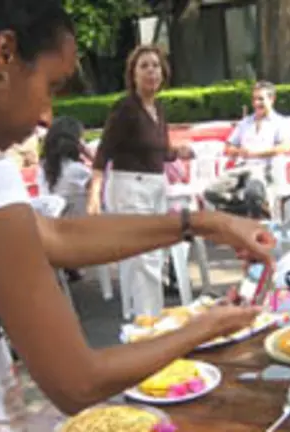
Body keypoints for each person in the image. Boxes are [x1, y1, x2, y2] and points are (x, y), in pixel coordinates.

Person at [0, 1, 273, 430]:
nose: (46, 117)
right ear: (4, 54)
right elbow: (78, 382)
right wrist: (207, 326)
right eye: (51, 87)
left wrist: (203, 223)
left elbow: (53, 235)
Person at [87, 45, 194, 317]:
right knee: (144, 259)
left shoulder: (158, 108)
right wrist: (94, 194)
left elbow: (158, 150)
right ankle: (148, 322)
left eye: (155, 66)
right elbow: (104, 152)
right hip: (129, 187)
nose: (151, 72)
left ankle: (150, 318)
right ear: (132, 74)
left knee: (154, 255)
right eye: (144, 66)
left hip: (156, 185)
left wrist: (177, 152)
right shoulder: (125, 108)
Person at [203, 81, 290, 219]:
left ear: (272, 99)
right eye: (254, 99)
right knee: (211, 192)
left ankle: (257, 218)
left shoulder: (280, 123)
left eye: (261, 99)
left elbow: (285, 147)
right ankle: (244, 210)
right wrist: (240, 151)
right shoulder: (245, 123)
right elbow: (228, 147)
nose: (256, 103)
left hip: (264, 168)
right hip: (242, 168)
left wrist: (257, 153)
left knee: (253, 192)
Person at [38, 116, 91, 216]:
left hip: (56, 223)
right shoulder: (76, 170)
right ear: (77, 142)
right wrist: (91, 155)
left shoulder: (43, 167)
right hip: (79, 223)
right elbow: (104, 188)